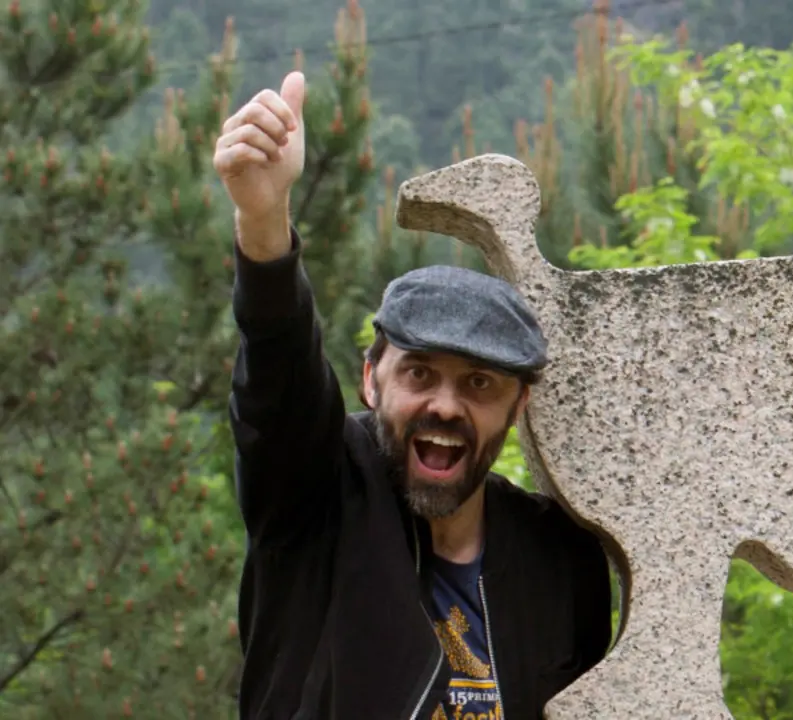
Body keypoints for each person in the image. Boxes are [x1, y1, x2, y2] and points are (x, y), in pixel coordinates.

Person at [213, 71, 614, 720]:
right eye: (420, 374)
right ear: (371, 379)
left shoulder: (559, 560)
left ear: (518, 406)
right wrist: (263, 222)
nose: (446, 407)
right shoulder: (317, 494)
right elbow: (278, 381)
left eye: (479, 383)